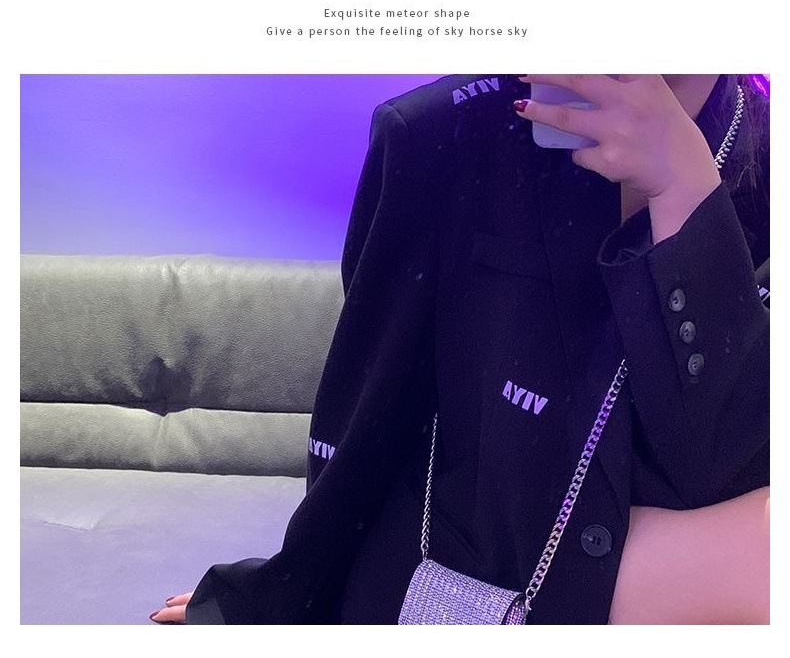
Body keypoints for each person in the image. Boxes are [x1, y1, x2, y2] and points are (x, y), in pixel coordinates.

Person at [150, 74, 769, 625]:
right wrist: (280, 597)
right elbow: (367, 419)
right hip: (462, 599)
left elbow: (727, 461)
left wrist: (686, 193)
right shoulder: (441, 133)